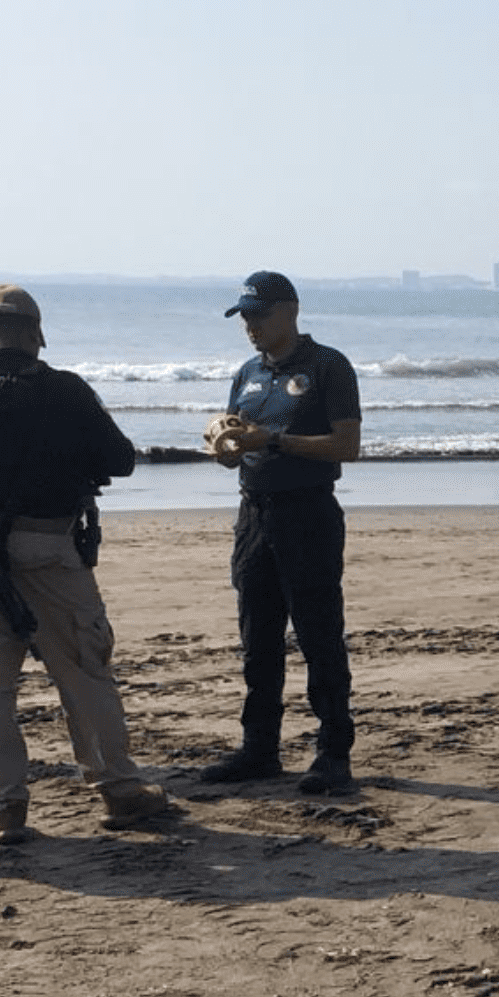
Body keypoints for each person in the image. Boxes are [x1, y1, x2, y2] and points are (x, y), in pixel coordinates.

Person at [0, 284, 168, 844]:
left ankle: (5, 809)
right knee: (84, 670)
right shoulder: (62, 391)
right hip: (49, 546)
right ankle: (117, 789)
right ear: (38, 337)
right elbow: (119, 459)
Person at [200, 270, 361, 795]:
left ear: (289, 312)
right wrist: (226, 446)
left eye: (260, 315)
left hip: (308, 513)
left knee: (318, 637)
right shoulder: (247, 372)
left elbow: (345, 446)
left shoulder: (327, 366)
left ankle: (333, 754)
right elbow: (236, 444)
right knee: (258, 640)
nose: (251, 326)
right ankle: (259, 749)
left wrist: (274, 439)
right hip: (254, 514)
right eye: (244, 316)